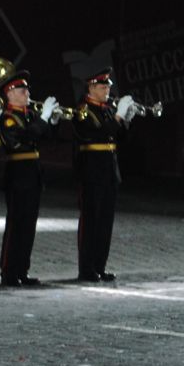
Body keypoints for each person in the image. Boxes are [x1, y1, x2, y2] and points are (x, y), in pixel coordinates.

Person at [0, 72, 62, 287]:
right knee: (16, 225)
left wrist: (52, 121)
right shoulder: (7, 117)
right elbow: (23, 139)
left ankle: (22, 270)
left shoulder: (30, 115)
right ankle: (8, 272)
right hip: (17, 175)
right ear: (10, 93)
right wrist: (43, 119)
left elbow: (47, 138)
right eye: (23, 91)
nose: (28, 94)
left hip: (33, 174)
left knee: (29, 226)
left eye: (27, 90)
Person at [73, 70, 132, 283]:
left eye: (108, 87)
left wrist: (125, 119)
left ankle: (99, 265)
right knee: (91, 220)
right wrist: (117, 116)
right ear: (90, 88)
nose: (107, 90)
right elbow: (99, 132)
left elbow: (119, 137)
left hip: (108, 170)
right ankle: (86, 269)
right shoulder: (84, 110)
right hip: (91, 169)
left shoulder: (107, 109)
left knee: (105, 222)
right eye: (102, 87)